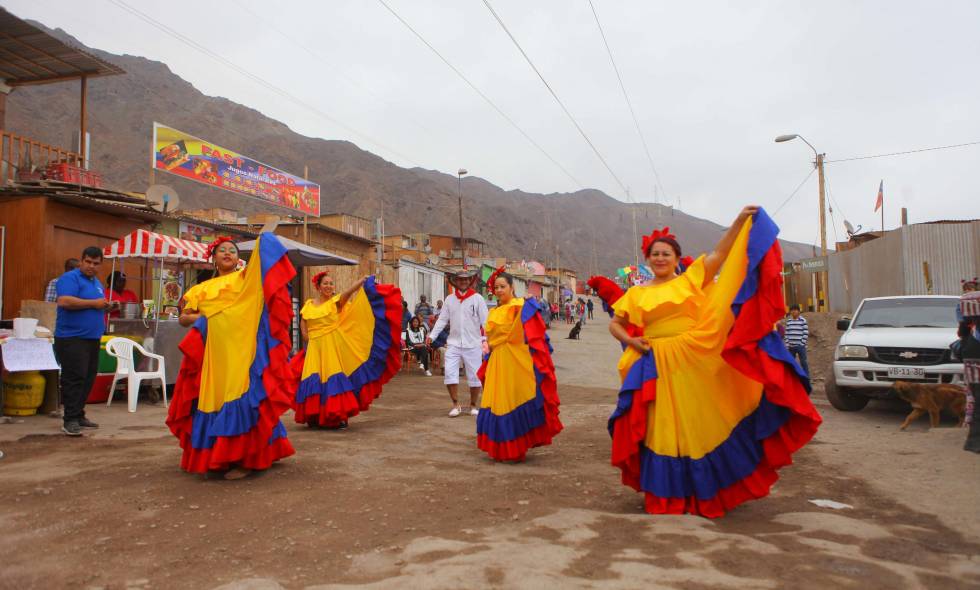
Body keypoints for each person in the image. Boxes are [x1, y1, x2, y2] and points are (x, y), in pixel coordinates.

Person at [606, 208, 821, 518]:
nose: (660, 258)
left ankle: (704, 490)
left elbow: (722, 253)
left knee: (700, 423)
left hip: (693, 355)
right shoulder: (637, 292)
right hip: (654, 361)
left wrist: (739, 221)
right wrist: (630, 341)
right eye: (655, 254)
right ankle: (666, 494)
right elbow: (615, 323)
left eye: (666, 253)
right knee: (661, 427)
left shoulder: (693, 277)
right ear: (647, 258)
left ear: (677, 257)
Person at [167, 235, 296, 479]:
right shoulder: (199, 289)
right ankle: (218, 456)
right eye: (222, 250)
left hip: (242, 348)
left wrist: (264, 241)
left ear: (238, 259)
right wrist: (209, 317)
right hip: (214, 352)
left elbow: (263, 278)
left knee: (240, 392)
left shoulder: (245, 279)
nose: (228, 253)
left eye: (233, 251)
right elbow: (184, 318)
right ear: (213, 258)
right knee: (214, 398)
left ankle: (245, 459)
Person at [291, 271, 402, 428]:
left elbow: (348, 293)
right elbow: (304, 321)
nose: (329, 286)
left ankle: (337, 416)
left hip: (332, 346)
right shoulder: (308, 305)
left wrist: (361, 281)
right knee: (314, 379)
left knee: (333, 379)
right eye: (325, 283)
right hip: (315, 348)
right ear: (318, 286)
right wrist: (305, 335)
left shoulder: (335, 302)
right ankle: (315, 416)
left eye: (331, 283)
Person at [477, 270, 562, 461]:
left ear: (511, 287)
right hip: (497, 360)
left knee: (513, 398)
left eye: (502, 287)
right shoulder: (493, 311)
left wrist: (530, 301)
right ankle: (502, 448)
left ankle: (516, 448)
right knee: (498, 400)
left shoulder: (518, 305)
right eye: (496, 288)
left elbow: (530, 322)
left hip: (515, 358)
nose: (499, 290)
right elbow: (490, 338)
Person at [54, 247, 114, 436]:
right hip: (72, 338)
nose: (91, 266)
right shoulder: (69, 278)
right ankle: (69, 420)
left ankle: (78, 414)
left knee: (88, 378)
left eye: (96, 263)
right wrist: (94, 304)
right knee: (74, 378)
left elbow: (94, 306)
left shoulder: (96, 283)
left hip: (92, 338)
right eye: (88, 262)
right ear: (81, 261)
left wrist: (106, 306)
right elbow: (64, 301)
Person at [427, 269, 489, 417]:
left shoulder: (478, 299)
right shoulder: (449, 299)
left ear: (471, 281)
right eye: (461, 279)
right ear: (455, 281)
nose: (464, 282)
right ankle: (455, 404)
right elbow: (442, 320)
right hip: (453, 343)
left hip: (473, 344)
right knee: (450, 373)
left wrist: (486, 340)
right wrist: (432, 335)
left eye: (466, 279)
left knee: (475, 377)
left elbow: (486, 322)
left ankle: (473, 405)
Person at [958, 278, 980, 453]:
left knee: (977, 399)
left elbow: (962, 331)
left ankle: (973, 442)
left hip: (972, 353)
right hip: (973, 354)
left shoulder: (967, 303)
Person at [783, 304, 809, 378]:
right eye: (792, 310)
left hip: (800, 346)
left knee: (803, 362)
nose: (793, 311)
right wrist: (787, 344)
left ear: (798, 311)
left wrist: (801, 343)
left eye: (795, 310)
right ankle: (792, 378)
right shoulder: (789, 321)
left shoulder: (803, 321)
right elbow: (786, 333)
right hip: (791, 347)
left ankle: (806, 378)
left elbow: (805, 333)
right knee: (791, 363)